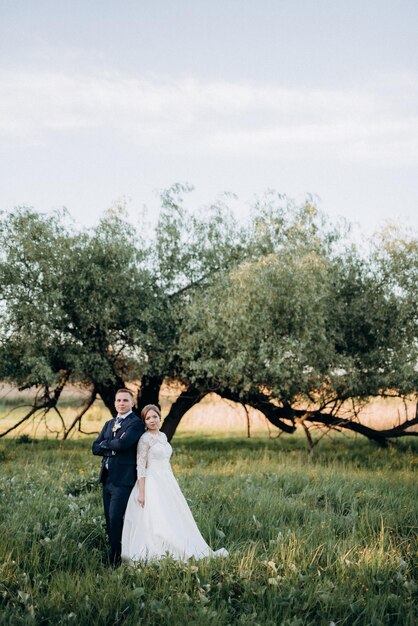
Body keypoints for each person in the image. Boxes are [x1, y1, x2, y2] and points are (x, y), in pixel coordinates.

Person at [121, 404, 228, 563]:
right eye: (148, 418)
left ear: (159, 417)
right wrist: (142, 492)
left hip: (167, 480)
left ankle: (184, 545)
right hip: (152, 483)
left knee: (174, 514)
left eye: (154, 416)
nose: (152, 420)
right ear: (144, 421)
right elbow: (141, 467)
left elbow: (166, 461)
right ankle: (161, 550)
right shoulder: (144, 439)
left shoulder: (163, 436)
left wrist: (171, 480)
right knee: (157, 516)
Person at [92, 388, 145, 566]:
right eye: (118, 400)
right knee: (109, 518)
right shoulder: (109, 423)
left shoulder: (135, 423)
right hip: (107, 479)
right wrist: (112, 446)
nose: (121, 403)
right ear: (114, 402)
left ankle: (117, 558)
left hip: (123, 480)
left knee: (116, 518)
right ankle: (114, 554)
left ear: (132, 403)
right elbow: (95, 447)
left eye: (125, 400)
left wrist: (108, 445)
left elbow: (123, 444)